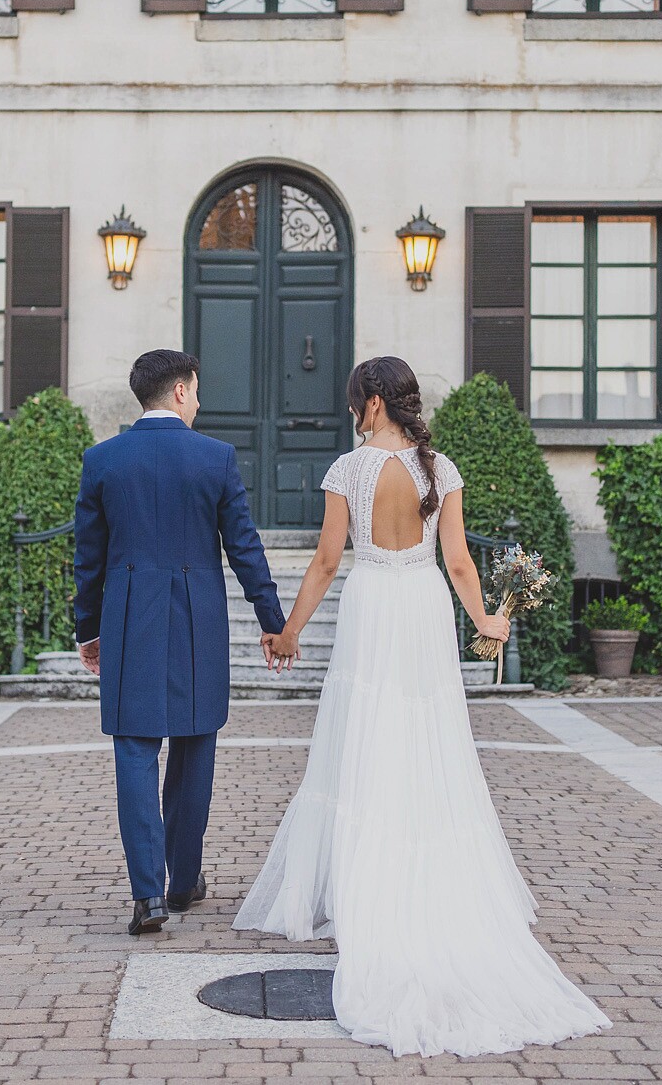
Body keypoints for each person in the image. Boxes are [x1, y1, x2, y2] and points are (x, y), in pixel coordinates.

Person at [236, 356, 612, 1057]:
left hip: (374, 602)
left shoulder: (349, 469)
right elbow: (461, 561)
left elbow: (324, 561)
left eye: (357, 402)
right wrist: (487, 621)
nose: (355, 413)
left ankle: (363, 889)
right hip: (424, 603)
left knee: (365, 737)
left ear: (373, 402)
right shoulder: (442, 468)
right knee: (426, 732)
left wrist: (288, 631)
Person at [72, 349, 287, 936]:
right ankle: (183, 878)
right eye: (197, 390)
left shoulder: (103, 461)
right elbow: (245, 547)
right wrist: (274, 620)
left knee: (135, 753)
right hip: (198, 621)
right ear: (183, 392)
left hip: (128, 620)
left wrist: (87, 629)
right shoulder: (214, 458)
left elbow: (87, 561)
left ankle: (148, 898)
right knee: (194, 751)